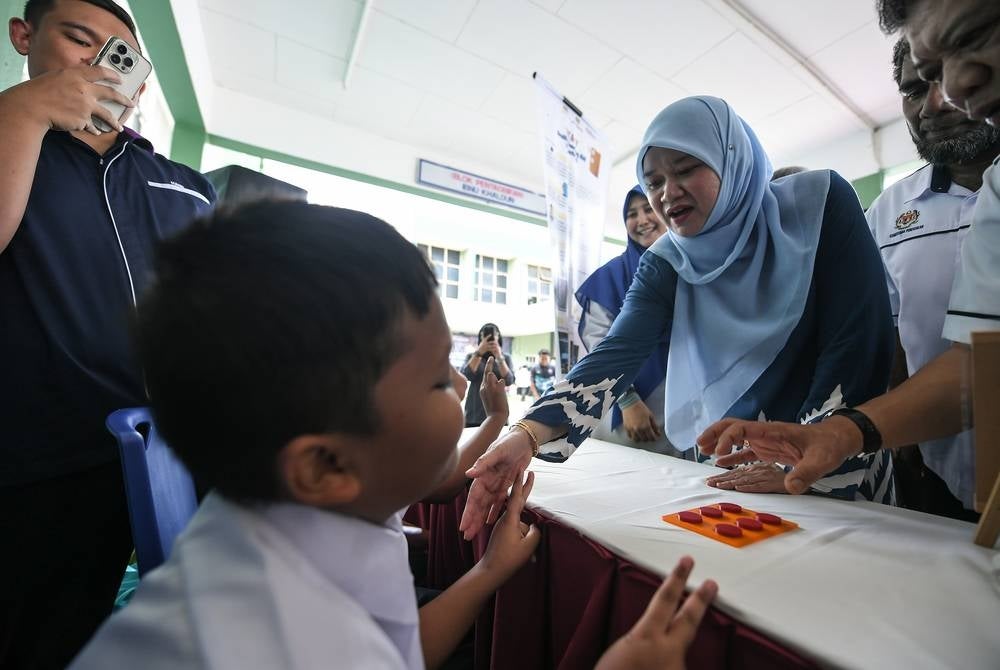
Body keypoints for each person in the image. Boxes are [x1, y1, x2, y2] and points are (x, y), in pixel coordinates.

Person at [69, 200, 718, 670]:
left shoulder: (297, 509)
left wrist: (489, 564)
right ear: (324, 465)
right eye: (439, 384)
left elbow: (399, 645)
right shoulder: (292, 641)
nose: (458, 391)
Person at [460, 96, 897, 539]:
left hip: (836, 456)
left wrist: (808, 460)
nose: (667, 193)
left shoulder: (819, 206)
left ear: (730, 160)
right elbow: (616, 352)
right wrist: (526, 435)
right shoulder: (666, 261)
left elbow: (856, 343)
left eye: (686, 169)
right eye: (653, 181)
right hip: (737, 464)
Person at [696, 0, 1000, 497]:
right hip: (936, 467)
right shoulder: (892, 210)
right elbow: (977, 364)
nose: (948, 95)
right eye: (923, 79)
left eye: (975, 36)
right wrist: (844, 434)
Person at [0, 1, 216, 667]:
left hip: (160, 456)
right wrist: (27, 110)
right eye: (77, 39)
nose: (97, 63)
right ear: (24, 36)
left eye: (118, 54)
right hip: (31, 459)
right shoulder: (14, 142)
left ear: (140, 82)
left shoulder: (184, 186)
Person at [865, 37, 1000, 521]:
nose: (934, 104)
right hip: (936, 468)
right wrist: (897, 440)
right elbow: (893, 334)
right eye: (914, 90)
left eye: (947, 79)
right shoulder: (886, 213)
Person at [575, 186, 677, 455]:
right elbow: (598, 344)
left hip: (681, 408)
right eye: (632, 214)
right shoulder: (610, 276)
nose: (642, 220)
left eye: (649, 209)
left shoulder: (693, 268)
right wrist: (627, 400)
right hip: (626, 411)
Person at [460, 323, 514, 427]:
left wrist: (499, 356)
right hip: (474, 410)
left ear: (498, 337)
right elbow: (467, 375)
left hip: (498, 408)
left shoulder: (505, 357)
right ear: (481, 338)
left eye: (493, 335)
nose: (490, 339)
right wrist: (479, 352)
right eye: (485, 336)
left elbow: (509, 380)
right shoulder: (471, 356)